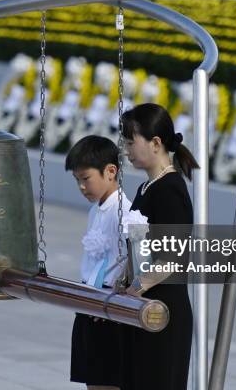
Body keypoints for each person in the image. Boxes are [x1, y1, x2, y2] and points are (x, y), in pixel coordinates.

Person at [120, 103, 198, 390]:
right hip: (143, 306)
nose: (126, 149)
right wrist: (125, 279)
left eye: (131, 141)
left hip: (163, 310)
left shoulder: (171, 190)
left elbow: (173, 258)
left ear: (155, 143)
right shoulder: (146, 188)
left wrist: (137, 285)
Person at [65, 135, 132, 390]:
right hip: (90, 302)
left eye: (86, 178)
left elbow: (136, 257)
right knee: (94, 382)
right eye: (77, 180)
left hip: (108, 307)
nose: (82, 187)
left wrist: (116, 296)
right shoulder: (95, 209)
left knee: (108, 382)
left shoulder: (124, 211)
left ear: (110, 172)